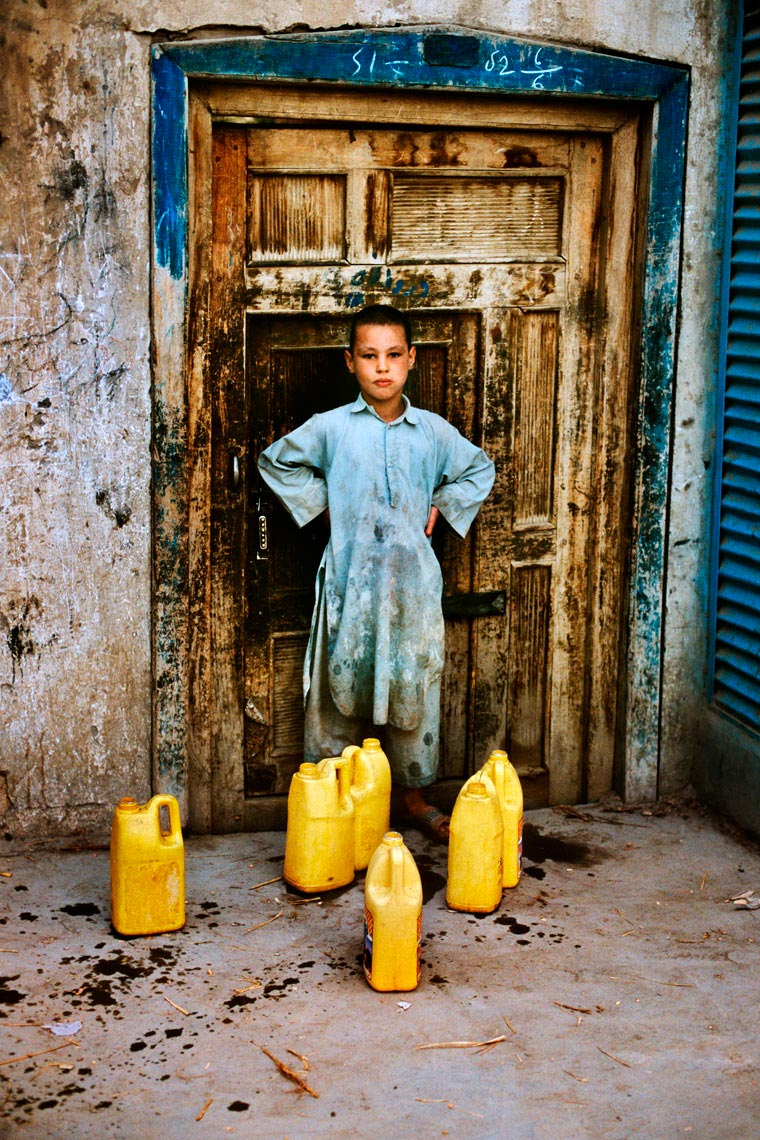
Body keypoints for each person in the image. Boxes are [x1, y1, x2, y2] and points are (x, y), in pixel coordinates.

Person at [258, 304, 494, 842]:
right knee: (337, 688)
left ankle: (412, 797)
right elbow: (275, 461)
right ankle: (334, 796)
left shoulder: (430, 432)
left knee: (412, 689)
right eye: (369, 356)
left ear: (411, 360)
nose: (381, 368)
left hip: (411, 589)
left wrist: (445, 504)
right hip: (350, 583)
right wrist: (323, 506)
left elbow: (479, 468)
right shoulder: (332, 429)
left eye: (392, 356)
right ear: (350, 362)